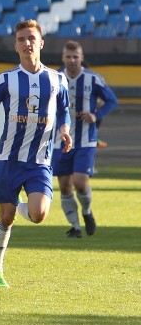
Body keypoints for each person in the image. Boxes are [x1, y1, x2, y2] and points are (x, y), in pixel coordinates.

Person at [0, 19, 73, 288]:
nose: (26, 43)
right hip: (9, 159)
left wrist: (64, 130)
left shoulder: (57, 79)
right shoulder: (6, 79)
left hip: (39, 160)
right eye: (21, 39)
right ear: (16, 46)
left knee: (39, 214)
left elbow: (64, 112)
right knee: (6, 218)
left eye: (31, 38)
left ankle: (19, 205)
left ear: (40, 43)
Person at [52, 40, 118, 238]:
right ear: (63, 58)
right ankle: (75, 227)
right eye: (68, 57)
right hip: (60, 140)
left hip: (85, 140)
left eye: (75, 56)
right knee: (64, 185)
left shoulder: (93, 79)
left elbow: (112, 100)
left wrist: (96, 115)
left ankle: (87, 212)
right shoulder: (54, 78)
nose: (72, 60)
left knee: (80, 182)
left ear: (82, 58)